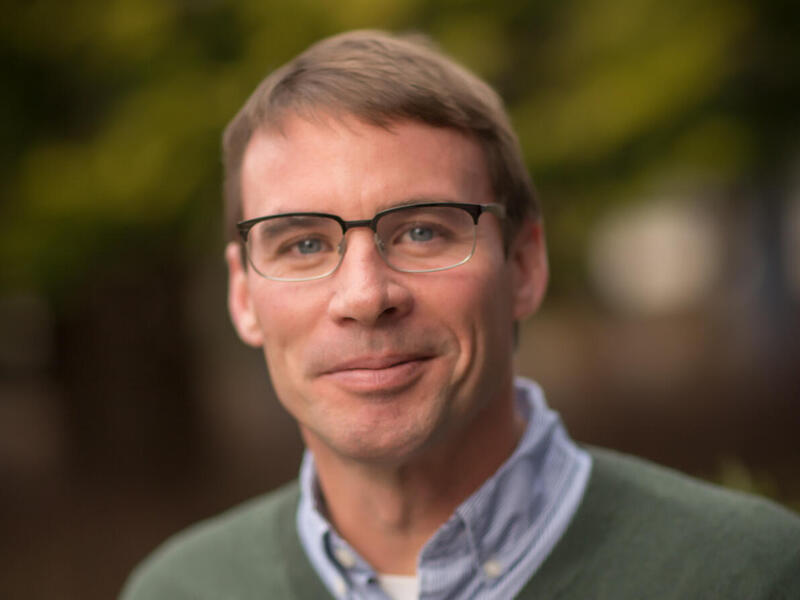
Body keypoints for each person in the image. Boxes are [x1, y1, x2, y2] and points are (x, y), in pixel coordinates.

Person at [121, 30, 800, 600]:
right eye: (303, 244)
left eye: (421, 232)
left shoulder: (747, 574)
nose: (364, 296)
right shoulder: (179, 589)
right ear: (244, 296)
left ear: (525, 267)